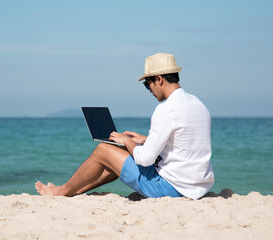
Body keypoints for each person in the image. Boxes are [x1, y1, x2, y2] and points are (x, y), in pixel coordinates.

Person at [35, 53, 214, 200]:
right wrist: (145, 140)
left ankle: (61, 191)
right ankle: (73, 191)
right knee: (117, 157)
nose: (149, 90)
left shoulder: (166, 109)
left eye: (147, 84)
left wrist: (127, 141)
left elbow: (145, 160)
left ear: (159, 79)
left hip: (171, 189)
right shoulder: (198, 104)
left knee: (103, 150)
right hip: (197, 187)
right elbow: (185, 141)